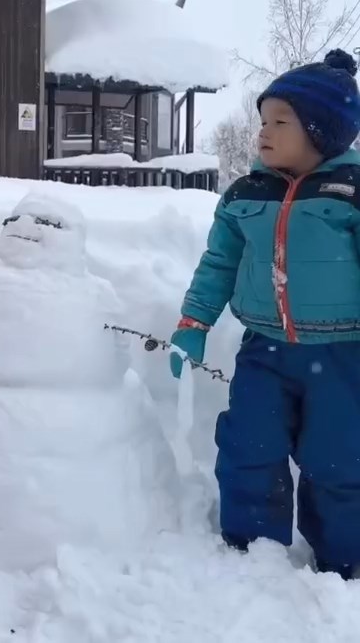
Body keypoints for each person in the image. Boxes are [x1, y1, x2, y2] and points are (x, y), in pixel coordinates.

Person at [170, 49, 360, 580]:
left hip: (344, 353)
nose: (264, 131)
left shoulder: (351, 192)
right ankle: (253, 551)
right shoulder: (246, 192)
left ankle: (345, 560)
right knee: (249, 443)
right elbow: (219, 261)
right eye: (262, 120)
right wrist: (194, 324)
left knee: (340, 458)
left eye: (281, 121)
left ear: (322, 132)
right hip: (265, 350)